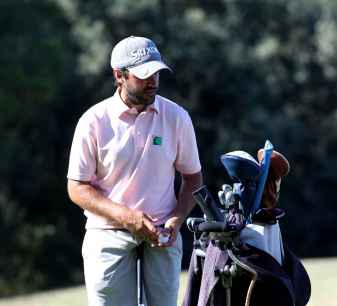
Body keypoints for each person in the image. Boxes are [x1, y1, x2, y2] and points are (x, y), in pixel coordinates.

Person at [67, 35, 203, 306]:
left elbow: (193, 178)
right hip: (108, 232)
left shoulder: (177, 117)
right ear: (119, 75)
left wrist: (177, 217)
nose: (153, 80)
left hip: (163, 234)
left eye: (156, 72)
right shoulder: (93, 121)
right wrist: (125, 216)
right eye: (143, 75)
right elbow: (77, 188)